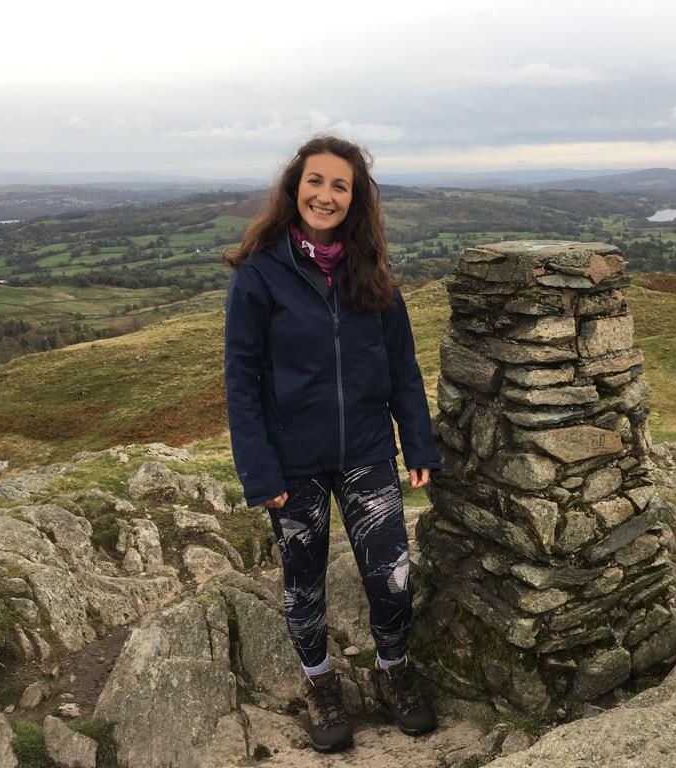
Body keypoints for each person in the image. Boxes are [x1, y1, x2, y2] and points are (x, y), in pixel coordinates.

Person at [223, 135, 440, 752]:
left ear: (355, 198)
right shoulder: (260, 275)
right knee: (303, 582)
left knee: (393, 575)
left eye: (339, 185)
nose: (325, 194)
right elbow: (242, 381)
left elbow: (402, 367)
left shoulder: (372, 273)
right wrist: (259, 471)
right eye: (315, 182)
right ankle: (320, 684)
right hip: (294, 463)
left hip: (369, 452)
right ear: (296, 189)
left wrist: (417, 444)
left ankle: (394, 668)